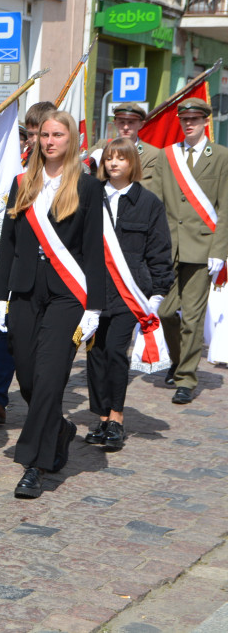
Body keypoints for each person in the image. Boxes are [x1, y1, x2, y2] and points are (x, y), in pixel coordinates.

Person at [0, 109, 105, 499]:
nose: (50, 141)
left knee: (51, 376)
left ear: (71, 140)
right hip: (24, 291)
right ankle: (59, 429)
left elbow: (93, 251)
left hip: (67, 296)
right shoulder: (22, 182)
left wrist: (94, 306)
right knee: (28, 376)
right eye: (44, 135)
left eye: (58, 134)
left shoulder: (87, 187)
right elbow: (7, 243)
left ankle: (34, 463)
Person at [86, 138, 173, 451]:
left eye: (121, 159)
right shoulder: (93, 197)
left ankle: (117, 417)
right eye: (109, 158)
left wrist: (158, 292)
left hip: (130, 293)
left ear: (132, 164)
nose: (113, 164)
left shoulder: (148, 202)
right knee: (94, 354)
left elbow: (160, 250)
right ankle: (100, 416)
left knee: (114, 352)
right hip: (94, 290)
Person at [0, 100, 55, 425]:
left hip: (51, 271)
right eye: (31, 133)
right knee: (5, 335)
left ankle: (43, 408)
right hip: (15, 266)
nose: (34, 140)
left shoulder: (67, 170)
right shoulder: (16, 165)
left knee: (42, 347)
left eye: (40, 133)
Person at [152, 98, 228, 404]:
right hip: (169, 247)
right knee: (165, 311)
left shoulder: (221, 156)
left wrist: (219, 250)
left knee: (193, 317)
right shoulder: (168, 156)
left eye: (195, 119)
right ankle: (178, 359)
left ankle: (186, 378)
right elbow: (156, 203)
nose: (189, 124)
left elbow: (225, 208)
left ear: (205, 121)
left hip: (202, 248)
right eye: (185, 119)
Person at [87, 103, 161, 187]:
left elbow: (144, 186)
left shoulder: (152, 154)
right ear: (115, 123)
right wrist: (92, 160)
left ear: (141, 124)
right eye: (122, 122)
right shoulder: (102, 145)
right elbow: (80, 168)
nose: (126, 127)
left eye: (131, 122)